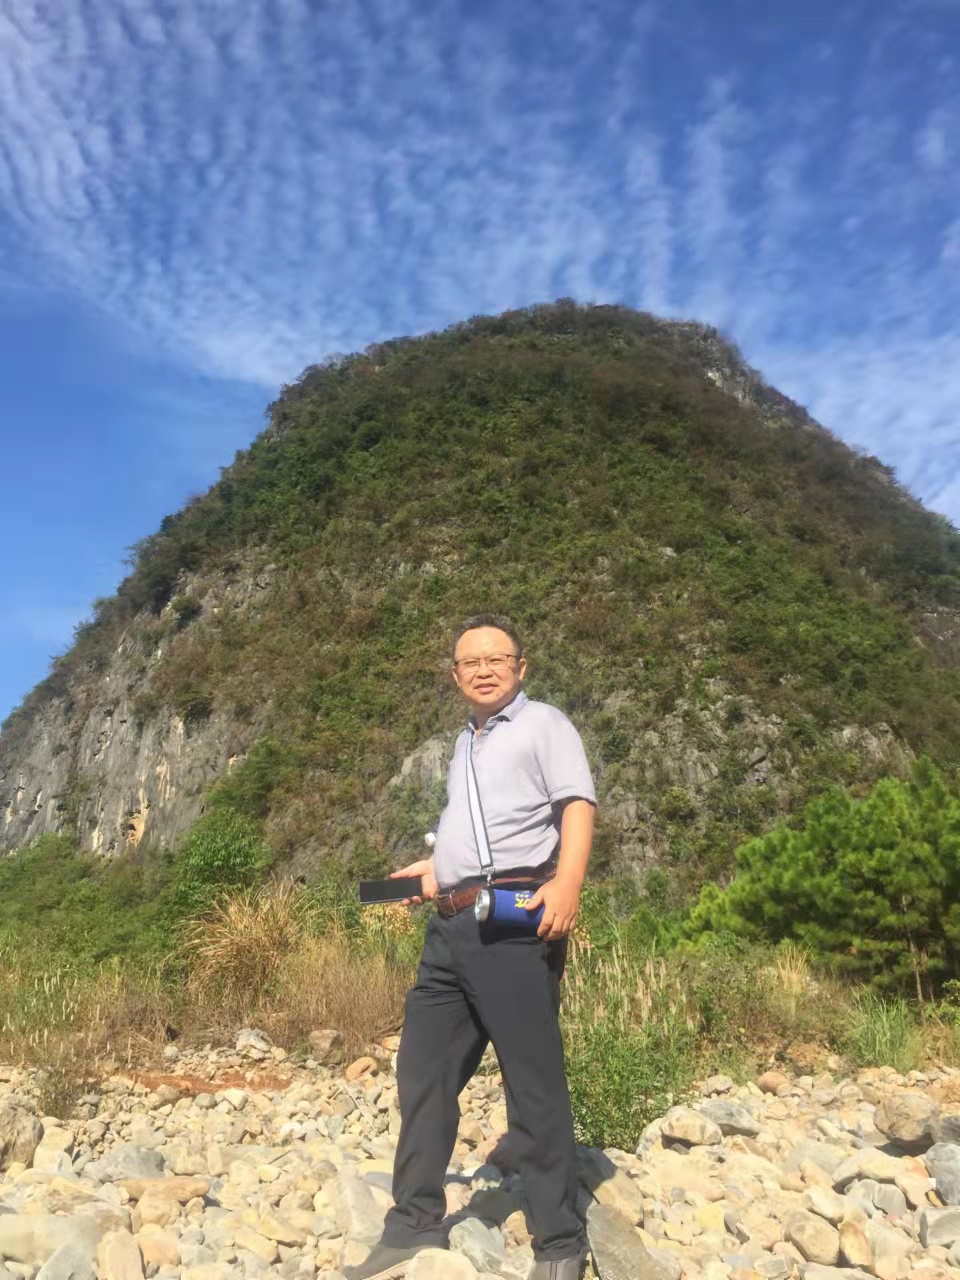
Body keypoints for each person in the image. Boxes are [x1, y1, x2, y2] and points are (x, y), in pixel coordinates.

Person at [346, 614, 596, 1280]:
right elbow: (473, 841)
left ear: (520, 666)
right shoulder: (463, 745)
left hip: (515, 921)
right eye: (470, 662)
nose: (484, 669)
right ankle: (413, 1223)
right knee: (422, 1072)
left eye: (496, 658)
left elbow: (577, 804)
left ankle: (559, 1242)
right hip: (449, 926)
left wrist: (568, 883)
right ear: (455, 675)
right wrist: (430, 874)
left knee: (532, 1083)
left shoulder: (544, 724)